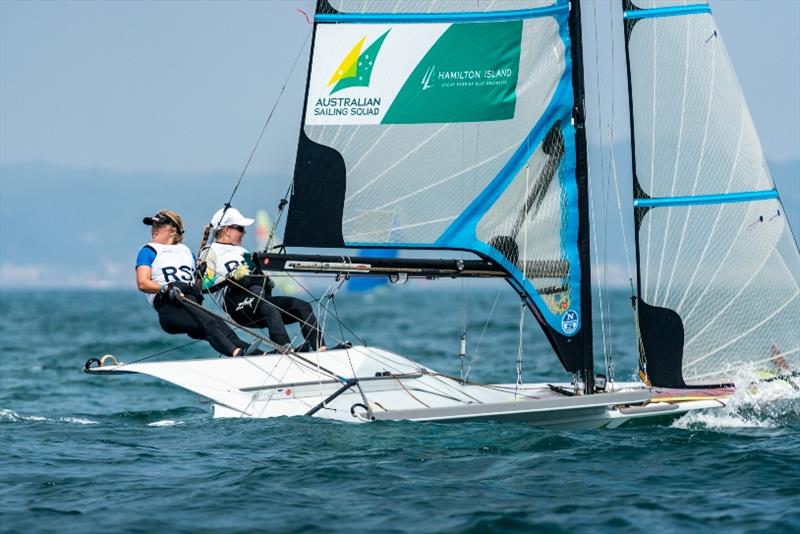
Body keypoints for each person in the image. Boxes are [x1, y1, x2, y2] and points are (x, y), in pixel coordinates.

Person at [200, 206, 327, 352]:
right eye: (240, 228)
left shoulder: (243, 252)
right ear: (227, 230)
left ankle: (320, 349)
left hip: (259, 297)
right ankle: (284, 349)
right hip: (236, 304)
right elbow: (204, 285)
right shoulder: (210, 251)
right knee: (270, 308)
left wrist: (266, 281)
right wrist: (231, 276)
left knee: (302, 306)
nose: (244, 233)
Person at [135, 209, 256, 357]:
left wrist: (200, 275)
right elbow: (142, 283)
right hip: (169, 305)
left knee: (222, 327)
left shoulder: (187, 252)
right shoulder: (148, 251)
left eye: (158, 226)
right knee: (210, 323)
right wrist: (166, 288)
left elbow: (197, 290)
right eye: (153, 225)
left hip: (190, 302)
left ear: (173, 231)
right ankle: (237, 354)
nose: (154, 229)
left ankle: (260, 355)